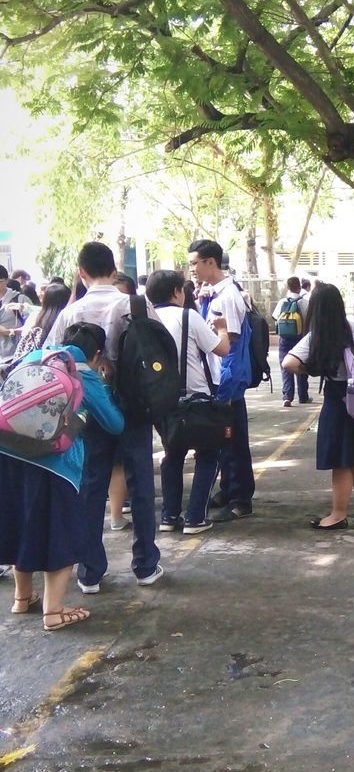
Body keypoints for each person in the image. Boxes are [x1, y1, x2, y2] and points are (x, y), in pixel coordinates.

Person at [45, 242, 163, 592]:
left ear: (81, 272)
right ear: (114, 270)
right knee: (140, 482)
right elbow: (162, 350)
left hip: (90, 410)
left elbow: (55, 361)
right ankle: (145, 566)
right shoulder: (137, 305)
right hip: (136, 406)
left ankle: (91, 571)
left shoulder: (71, 313)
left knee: (92, 485)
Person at [0, 322, 124, 630]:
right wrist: (100, 392)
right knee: (61, 532)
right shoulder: (82, 372)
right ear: (97, 354)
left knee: (21, 522)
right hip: (54, 463)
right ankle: (53, 611)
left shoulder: (34, 356)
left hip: (8, 451)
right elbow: (115, 424)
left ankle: (22, 597)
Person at [282, 283, 354, 529]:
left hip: (338, 400)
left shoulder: (316, 336)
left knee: (341, 460)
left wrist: (311, 368)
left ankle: (338, 514)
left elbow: (288, 363)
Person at [146, 269, 230, 533]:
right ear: (176, 292)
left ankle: (169, 517)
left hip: (160, 402)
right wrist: (223, 329)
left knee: (173, 454)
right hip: (195, 399)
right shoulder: (188, 316)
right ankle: (195, 517)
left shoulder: (146, 319)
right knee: (209, 453)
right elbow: (221, 349)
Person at [188, 238, 256, 521]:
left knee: (235, 438)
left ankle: (241, 496)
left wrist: (227, 385)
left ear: (210, 262)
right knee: (223, 437)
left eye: (194, 263)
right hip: (216, 376)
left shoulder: (228, 296)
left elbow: (233, 342)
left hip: (227, 378)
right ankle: (229, 488)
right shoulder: (212, 293)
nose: (191, 269)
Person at [273, 276, 311, 408]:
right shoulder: (304, 302)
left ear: (288, 287)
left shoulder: (282, 302)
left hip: (284, 339)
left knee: (285, 365)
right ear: (299, 287)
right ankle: (303, 396)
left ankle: (287, 396)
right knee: (300, 365)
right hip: (301, 338)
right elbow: (308, 321)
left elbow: (275, 318)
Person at [11, 282, 70, 362]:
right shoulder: (69, 323)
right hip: (62, 371)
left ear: (46, 301)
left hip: (33, 370)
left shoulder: (36, 323)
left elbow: (20, 353)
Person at [0, 265, 23, 365]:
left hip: (16, 356)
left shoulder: (19, 299)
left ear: (6, 280)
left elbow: (35, 325)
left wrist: (12, 331)